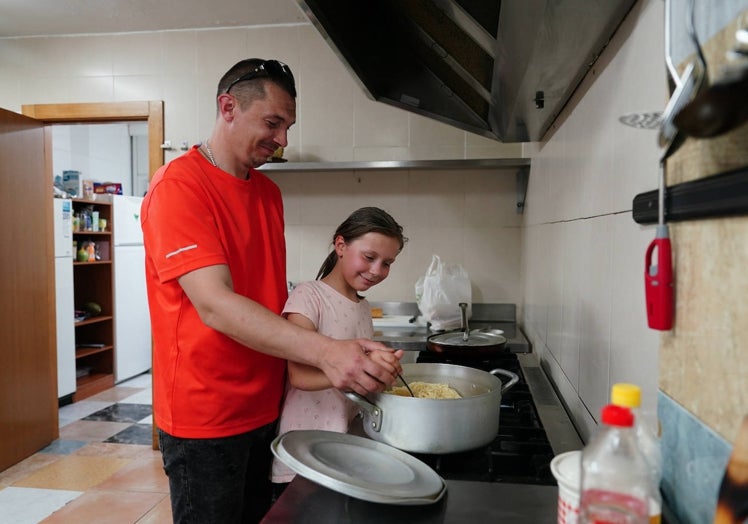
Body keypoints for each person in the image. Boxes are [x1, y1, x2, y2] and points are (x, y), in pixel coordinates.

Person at [141, 58, 403, 524]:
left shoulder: (267, 192)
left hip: (267, 407)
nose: (283, 140)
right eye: (273, 123)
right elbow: (216, 305)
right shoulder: (179, 186)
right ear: (228, 108)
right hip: (207, 414)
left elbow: (266, 293)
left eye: (288, 127)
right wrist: (327, 351)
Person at [271, 207, 407, 491]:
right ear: (341, 245)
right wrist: (360, 373)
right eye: (370, 257)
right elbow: (299, 377)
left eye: (387, 263)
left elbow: (357, 365)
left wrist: (379, 370)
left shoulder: (363, 307)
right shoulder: (308, 297)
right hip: (307, 444)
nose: (377, 271)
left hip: (344, 440)